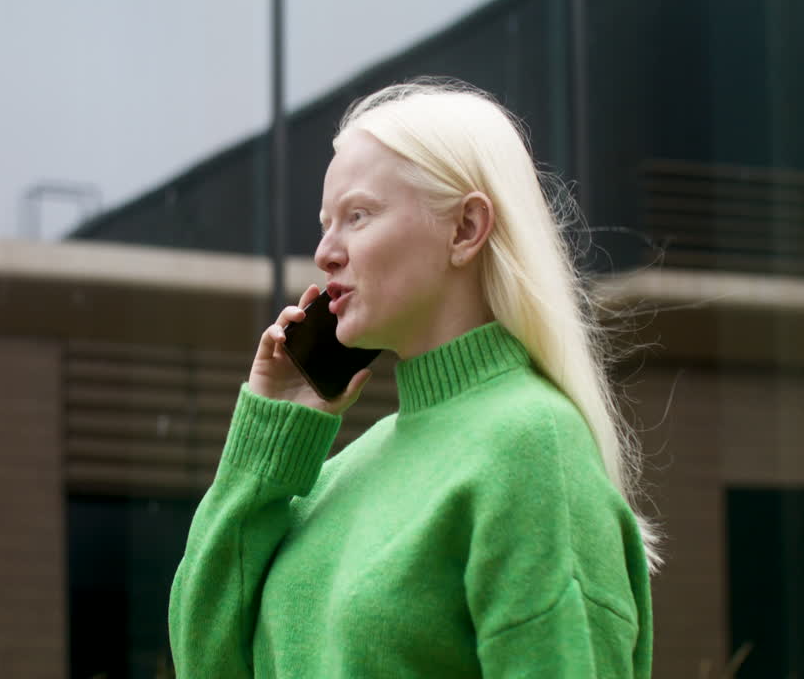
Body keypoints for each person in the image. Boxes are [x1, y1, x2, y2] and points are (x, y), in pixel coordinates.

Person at [168, 79, 658, 678]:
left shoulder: (531, 445)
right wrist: (269, 444)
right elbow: (208, 662)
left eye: (358, 215)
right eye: (325, 223)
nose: (325, 252)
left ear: (465, 229)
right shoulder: (337, 475)